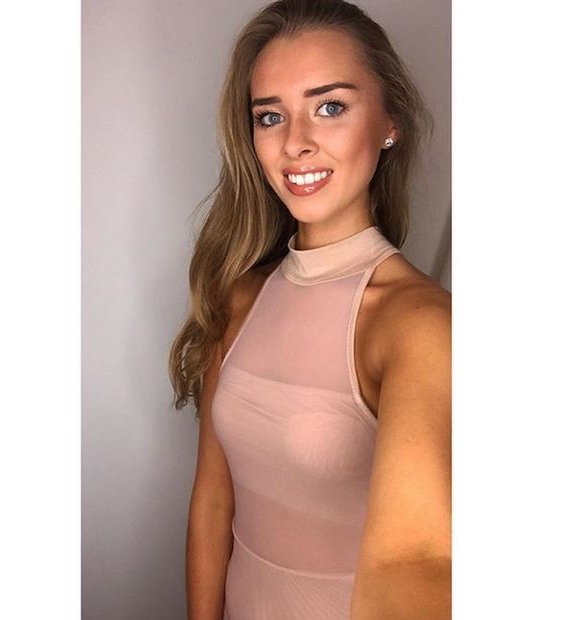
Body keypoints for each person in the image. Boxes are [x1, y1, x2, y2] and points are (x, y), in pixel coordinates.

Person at [168, 0, 451, 618]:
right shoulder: (241, 297)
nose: (295, 143)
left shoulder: (420, 327)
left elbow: (420, 561)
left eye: (330, 107)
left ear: (390, 122)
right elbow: (213, 499)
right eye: (270, 117)